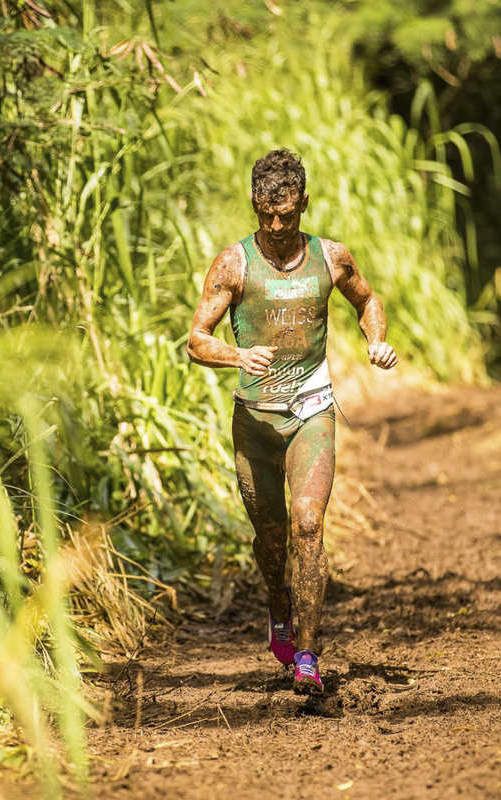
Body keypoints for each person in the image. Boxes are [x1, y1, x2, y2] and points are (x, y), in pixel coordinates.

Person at [186, 149, 397, 695]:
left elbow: (367, 301)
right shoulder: (234, 264)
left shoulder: (331, 257)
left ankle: (307, 654)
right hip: (254, 424)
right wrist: (238, 356)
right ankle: (278, 606)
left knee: (307, 524)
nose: (276, 227)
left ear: (304, 203)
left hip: (311, 414)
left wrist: (376, 342)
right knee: (271, 539)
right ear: (254, 206)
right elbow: (197, 340)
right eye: (265, 216)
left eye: (285, 215)